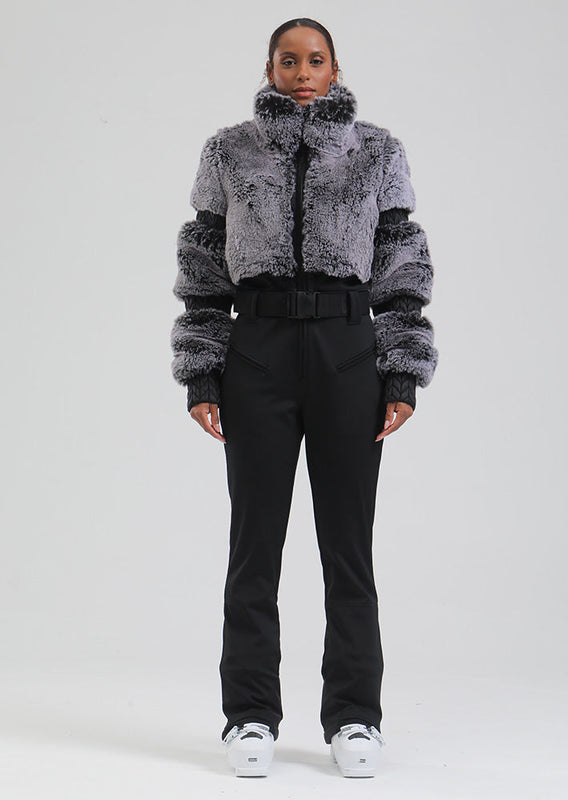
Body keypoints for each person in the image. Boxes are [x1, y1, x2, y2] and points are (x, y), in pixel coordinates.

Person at [170, 17, 438, 778]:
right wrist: (202, 371)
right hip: (256, 351)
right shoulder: (228, 151)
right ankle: (249, 715)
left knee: (348, 547)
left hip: (348, 351)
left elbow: (401, 259)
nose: (301, 73)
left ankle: (355, 717)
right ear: (269, 69)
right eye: (288, 60)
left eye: (314, 60)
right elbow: (201, 261)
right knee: (254, 546)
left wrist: (401, 372)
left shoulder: (378, 151)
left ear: (334, 68)